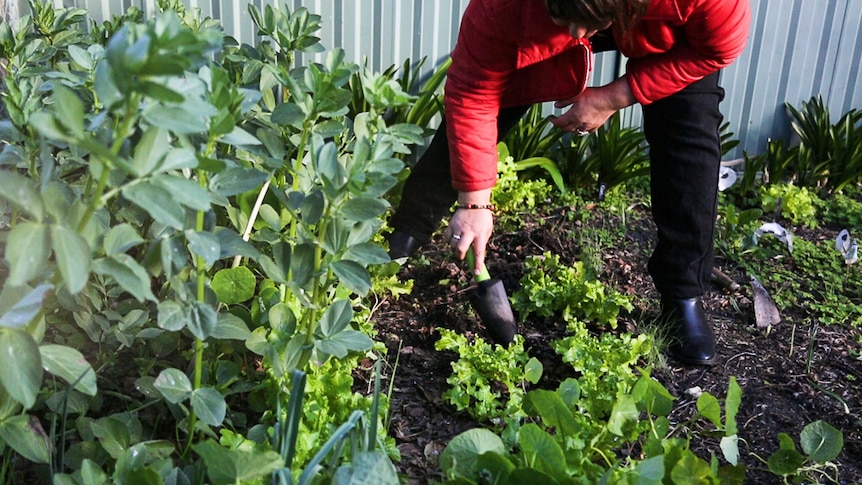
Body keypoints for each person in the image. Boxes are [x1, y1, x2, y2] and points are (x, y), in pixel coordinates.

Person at [387, 0, 751, 366]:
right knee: (493, 87)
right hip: (550, 10)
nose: (577, 37)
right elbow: (473, 92)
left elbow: (718, 47)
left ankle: (683, 294)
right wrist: (475, 203)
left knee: (688, 126)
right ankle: (407, 232)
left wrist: (613, 97)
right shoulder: (500, 7)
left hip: (658, 18)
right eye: (567, 19)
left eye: (586, 24)